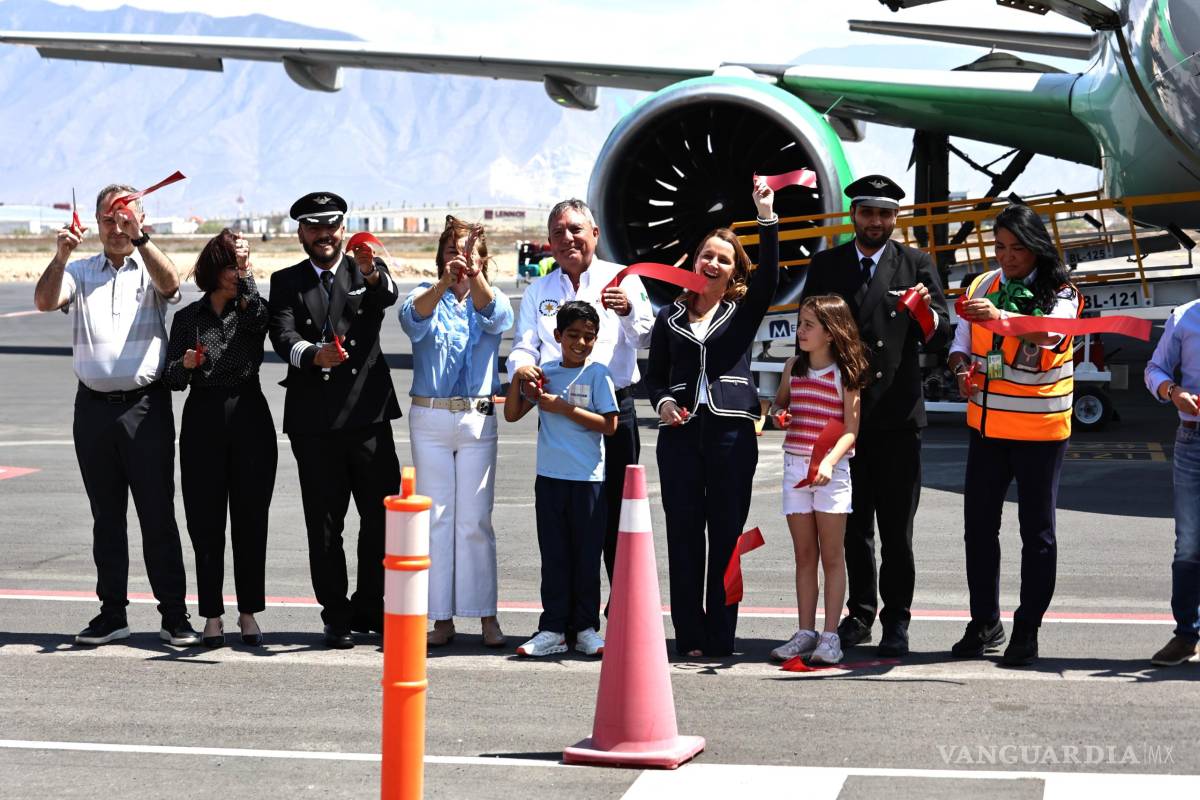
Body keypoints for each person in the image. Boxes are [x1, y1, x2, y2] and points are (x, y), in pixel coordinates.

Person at [33, 183, 199, 647]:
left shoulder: (149, 267)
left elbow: (172, 286)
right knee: (106, 516)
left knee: (157, 514)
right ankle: (112, 613)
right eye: (108, 218)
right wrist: (61, 256)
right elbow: (45, 301)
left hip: (144, 409)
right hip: (93, 410)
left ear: (140, 220)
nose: (116, 225)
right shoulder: (82, 271)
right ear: (95, 222)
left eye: (125, 216)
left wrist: (142, 239)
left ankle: (174, 615)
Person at [800, 173, 951, 657]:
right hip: (843, 418)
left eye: (885, 214)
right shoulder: (827, 264)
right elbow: (810, 332)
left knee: (897, 531)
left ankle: (897, 621)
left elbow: (941, 335)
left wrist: (926, 314)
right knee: (853, 527)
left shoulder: (917, 263)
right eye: (868, 212)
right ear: (854, 216)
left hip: (897, 418)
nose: (876, 222)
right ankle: (860, 613)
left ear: (895, 218)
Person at [645, 178, 779, 657]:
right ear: (695, 261)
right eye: (707, 254)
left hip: (730, 432)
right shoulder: (668, 316)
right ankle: (690, 635)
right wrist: (662, 402)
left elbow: (769, 281)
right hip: (679, 434)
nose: (713, 262)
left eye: (724, 258)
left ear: (733, 271)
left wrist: (766, 217)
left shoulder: (742, 312)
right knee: (683, 535)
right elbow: (655, 376)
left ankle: (722, 634)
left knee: (725, 536)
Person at [947, 203, 1082, 667]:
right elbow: (960, 342)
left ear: (1037, 247)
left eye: (1017, 249)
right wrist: (962, 368)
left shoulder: (1062, 291)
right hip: (986, 428)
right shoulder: (982, 285)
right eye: (1001, 247)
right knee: (978, 530)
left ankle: (1028, 626)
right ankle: (985, 621)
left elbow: (1051, 335)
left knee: (1037, 533)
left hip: (1039, 431)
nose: (1007, 257)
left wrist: (999, 319)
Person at [268, 192, 402, 649]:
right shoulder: (285, 280)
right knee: (325, 524)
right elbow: (282, 335)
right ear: (301, 233)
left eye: (332, 226)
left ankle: (371, 604)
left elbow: (386, 295)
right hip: (314, 423)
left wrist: (369, 269)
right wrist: (312, 355)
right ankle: (336, 612)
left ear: (344, 229)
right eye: (314, 227)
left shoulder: (365, 270)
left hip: (368, 416)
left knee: (380, 519)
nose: (324, 235)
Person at [507, 199, 654, 610]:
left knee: (616, 515)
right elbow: (524, 345)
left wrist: (626, 313)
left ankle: (622, 607)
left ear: (594, 235)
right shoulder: (540, 289)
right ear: (549, 243)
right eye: (557, 233)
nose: (567, 239)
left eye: (575, 230)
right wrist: (522, 369)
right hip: (559, 413)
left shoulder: (621, 278)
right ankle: (571, 616)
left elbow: (646, 337)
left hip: (611, 409)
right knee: (570, 519)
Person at [398, 216, 514, 648]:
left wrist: (474, 277)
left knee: (475, 519)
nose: (459, 259)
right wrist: (444, 283)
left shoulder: (493, 298)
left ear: (483, 260)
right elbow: (413, 322)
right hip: (430, 417)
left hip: (476, 418)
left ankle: (485, 613)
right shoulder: (425, 297)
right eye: (451, 251)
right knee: (436, 518)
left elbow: (497, 317)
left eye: (468, 252)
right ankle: (441, 618)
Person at [163, 230, 276, 648]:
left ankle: (248, 613)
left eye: (241, 265)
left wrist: (246, 271)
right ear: (213, 270)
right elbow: (172, 380)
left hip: (249, 414)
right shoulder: (187, 319)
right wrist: (186, 364)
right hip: (202, 418)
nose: (238, 273)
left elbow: (258, 319)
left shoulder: (250, 310)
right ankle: (212, 614)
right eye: (230, 265)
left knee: (250, 518)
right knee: (204, 522)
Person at [505, 301, 619, 657]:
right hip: (550, 478)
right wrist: (519, 378)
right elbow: (512, 413)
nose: (580, 342)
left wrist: (564, 408)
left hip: (588, 481)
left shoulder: (599, 374)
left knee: (586, 556)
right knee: (554, 556)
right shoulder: (547, 372)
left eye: (588, 337)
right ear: (557, 336)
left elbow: (610, 425)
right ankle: (553, 627)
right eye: (573, 335)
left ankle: (585, 628)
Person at [767, 295, 867, 666]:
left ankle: (830, 637)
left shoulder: (847, 372)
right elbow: (780, 405)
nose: (801, 330)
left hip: (831, 470)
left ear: (830, 331)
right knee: (804, 555)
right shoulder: (793, 366)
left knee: (832, 555)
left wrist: (828, 461)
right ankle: (805, 632)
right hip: (795, 467)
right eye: (801, 322)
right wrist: (780, 415)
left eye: (809, 324)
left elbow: (851, 430)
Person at [1145, 297, 1200, 666]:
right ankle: (1186, 633)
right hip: (1193, 441)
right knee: (1189, 545)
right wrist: (1172, 392)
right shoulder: (1185, 316)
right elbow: (1154, 368)